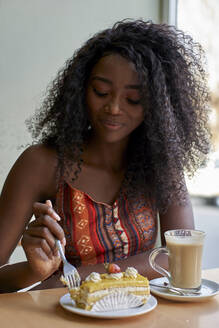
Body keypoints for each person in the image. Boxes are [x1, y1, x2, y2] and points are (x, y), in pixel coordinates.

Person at [0, 19, 210, 293]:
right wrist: (35, 269)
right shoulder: (41, 164)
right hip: (64, 316)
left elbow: (178, 256)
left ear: (157, 106)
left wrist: (76, 276)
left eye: (133, 99)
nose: (113, 108)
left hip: (143, 316)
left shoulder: (162, 166)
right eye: (101, 92)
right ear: (81, 90)